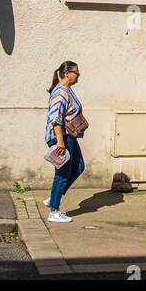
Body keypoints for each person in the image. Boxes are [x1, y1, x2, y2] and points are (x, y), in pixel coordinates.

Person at [44, 60, 87, 223]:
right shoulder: (61, 93)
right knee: (63, 173)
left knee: (78, 166)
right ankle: (54, 211)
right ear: (67, 73)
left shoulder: (67, 90)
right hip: (60, 136)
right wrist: (60, 142)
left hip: (69, 136)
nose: (79, 75)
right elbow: (55, 119)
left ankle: (53, 197)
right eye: (77, 72)